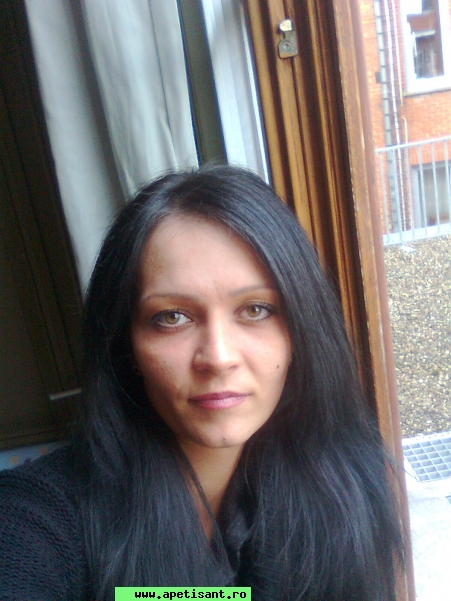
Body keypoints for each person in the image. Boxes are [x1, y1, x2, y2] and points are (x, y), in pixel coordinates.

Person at [0, 164, 403, 600]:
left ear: (300, 331)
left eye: (256, 310)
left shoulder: (347, 483)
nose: (219, 358)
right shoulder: (36, 520)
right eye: (172, 317)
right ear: (125, 345)